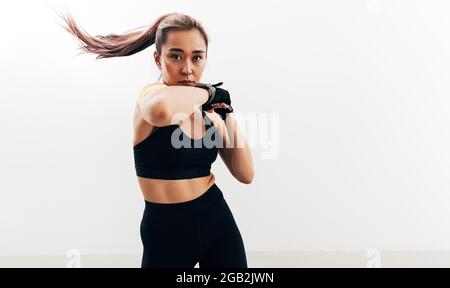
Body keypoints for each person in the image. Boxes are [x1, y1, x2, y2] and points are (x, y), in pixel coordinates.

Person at [59, 11, 254, 268]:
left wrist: (227, 113)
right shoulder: (150, 97)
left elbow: (245, 174)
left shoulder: (209, 114)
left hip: (217, 220)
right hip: (167, 231)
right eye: (175, 56)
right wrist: (209, 92)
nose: (187, 69)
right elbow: (162, 110)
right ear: (157, 58)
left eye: (197, 58)